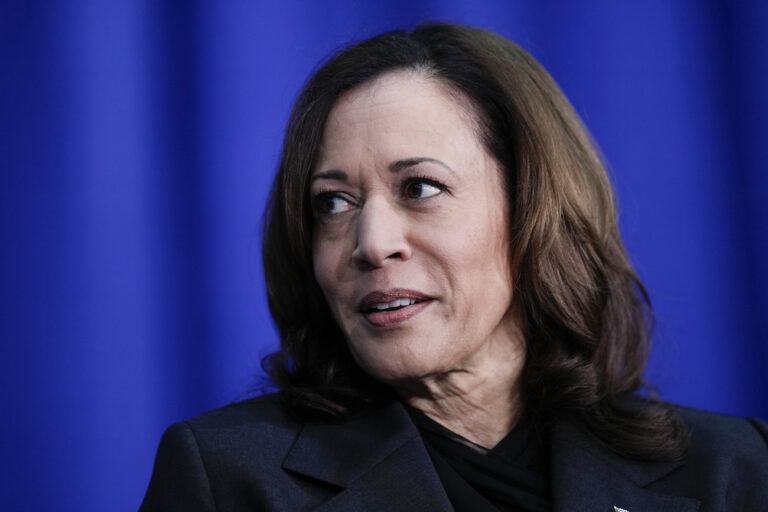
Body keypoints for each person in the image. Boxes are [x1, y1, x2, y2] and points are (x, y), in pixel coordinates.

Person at [139, 23, 768, 511]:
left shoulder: (732, 468)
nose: (371, 243)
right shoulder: (225, 478)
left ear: (533, 208)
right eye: (333, 203)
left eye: (419, 188)